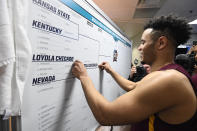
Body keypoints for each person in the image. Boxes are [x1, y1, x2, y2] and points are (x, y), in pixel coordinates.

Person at [72, 15, 197, 130]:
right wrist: (111, 71)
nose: (140, 47)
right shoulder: (167, 74)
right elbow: (133, 86)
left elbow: (105, 115)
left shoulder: (170, 79)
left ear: (161, 43)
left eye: (143, 42)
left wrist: (84, 77)